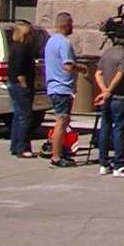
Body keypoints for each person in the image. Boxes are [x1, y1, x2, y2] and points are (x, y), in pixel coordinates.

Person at [94, 33, 124, 177]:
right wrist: (109, 91)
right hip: (118, 97)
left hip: (107, 98)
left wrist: (103, 90)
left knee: (105, 128)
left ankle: (103, 163)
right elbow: (120, 74)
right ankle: (119, 165)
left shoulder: (107, 53)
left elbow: (98, 73)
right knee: (119, 130)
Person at [43, 12, 85, 168]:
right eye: (72, 23)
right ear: (66, 24)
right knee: (62, 121)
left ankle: (60, 150)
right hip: (62, 87)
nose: (73, 26)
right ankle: (56, 156)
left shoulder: (51, 41)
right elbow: (68, 65)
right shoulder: (64, 43)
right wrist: (82, 68)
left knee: (63, 121)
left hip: (54, 86)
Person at [6, 23, 37, 159]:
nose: (32, 37)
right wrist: (25, 85)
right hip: (20, 86)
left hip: (12, 84)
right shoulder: (22, 49)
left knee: (18, 116)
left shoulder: (14, 47)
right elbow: (19, 71)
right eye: (30, 34)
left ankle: (15, 145)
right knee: (25, 117)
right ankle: (23, 148)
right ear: (25, 35)